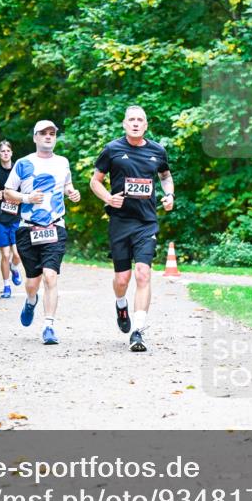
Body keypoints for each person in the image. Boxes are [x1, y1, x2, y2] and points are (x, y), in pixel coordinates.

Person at [89, 105, 174, 352]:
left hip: (146, 222)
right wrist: (107, 198)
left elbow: (165, 176)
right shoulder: (112, 150)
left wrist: (169, 195)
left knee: (143, 273)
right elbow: (95, 181)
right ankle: (120, 304)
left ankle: (138, 331)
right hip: (120, 222)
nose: (136, 123)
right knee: (122, 279)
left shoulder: (157, 150)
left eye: (140, 120)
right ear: (124, 124)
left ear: (146, 125)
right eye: (131, 120)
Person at [3, 120, 81, 345]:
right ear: (35, 137)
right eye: (43, 133)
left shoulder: (63, 162)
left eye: (52, 133)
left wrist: (72, 193)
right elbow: (8, 192)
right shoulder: (23, 163)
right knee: (32, 282)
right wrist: (27, 198)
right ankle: (30, 300)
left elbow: (67, 186)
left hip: (55, 226)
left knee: (50, 276)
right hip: (28, 228)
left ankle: (49, 326)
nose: (48, 136)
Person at [0, 141, 24, 298]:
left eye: (8, 150)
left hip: (17, 218)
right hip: (1, 219)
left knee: (17, 254)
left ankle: (15, 268)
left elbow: (26, 191)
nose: (6, 153)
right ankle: (6, 286)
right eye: (2, 151)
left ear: (12, 153)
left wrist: (20, 198)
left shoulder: (19, 171)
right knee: (5, 254)